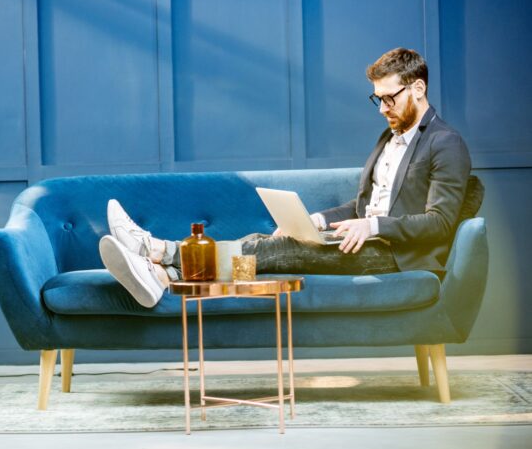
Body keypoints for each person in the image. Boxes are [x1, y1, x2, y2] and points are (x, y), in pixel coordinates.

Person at [98, 47, 472, 308]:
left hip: (396, 257)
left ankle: (158, 252)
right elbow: (362, 207)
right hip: (366, 244)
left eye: (389, 98)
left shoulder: (445, 143)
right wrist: (317, 220)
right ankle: (160, 277)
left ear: (418, 88)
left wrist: (373, 227)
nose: (383, 109)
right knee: (263, 240)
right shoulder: (389, 138)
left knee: (279, 250)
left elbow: (439, 224)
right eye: (378, 100)